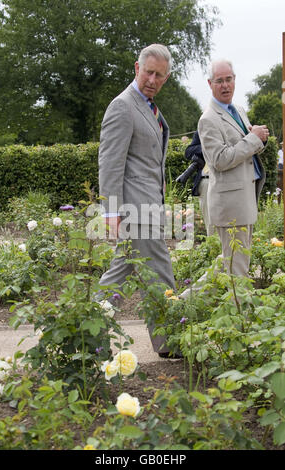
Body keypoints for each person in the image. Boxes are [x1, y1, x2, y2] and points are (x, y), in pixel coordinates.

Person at [98, 44, 176, 357]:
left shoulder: (149, 108)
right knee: (159, 273)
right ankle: (169, 341)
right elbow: (110, 162)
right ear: (136, 68)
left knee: (122, 271)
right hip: (135, 209)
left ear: (166, 78)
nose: (152, 79)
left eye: (159, 75)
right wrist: (112, 211)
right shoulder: (123, 106)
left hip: (148, 206)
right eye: (149, 72)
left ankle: (85, 329)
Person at [197, 59, 268, 277]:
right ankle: (240, 309)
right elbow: (220, 160)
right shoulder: (208, 119)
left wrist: (259, 139)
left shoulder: (237, 109)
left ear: (235, 80)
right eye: (219, 81)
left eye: (229, 79)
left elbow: (247, 147)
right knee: (237, 267)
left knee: (230, 262)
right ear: (210, 84)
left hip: (244, 198)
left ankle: (184, 301)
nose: (225, 85)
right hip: (230, 205)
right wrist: (254, 140)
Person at [177, 130, 215, 236]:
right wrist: (209, 147)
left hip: (226, 181)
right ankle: (213, 248)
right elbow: (188, 152)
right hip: (207, 180)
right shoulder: (202, 131)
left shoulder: (229, 129)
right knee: (210, 222)